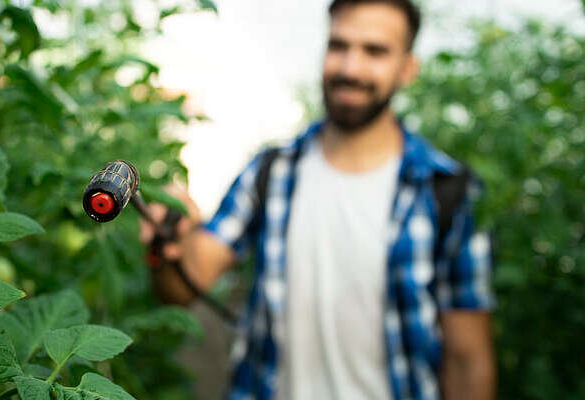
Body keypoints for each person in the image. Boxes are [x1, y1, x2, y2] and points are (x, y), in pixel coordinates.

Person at [140, 0, 496, 399]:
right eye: (339, 46)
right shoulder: (271, 172)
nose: (350, 68)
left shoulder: (446, 190)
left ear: (407, 68)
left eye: (374, 51)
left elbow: (468, 358)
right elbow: (183, 287)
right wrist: (165, 239)